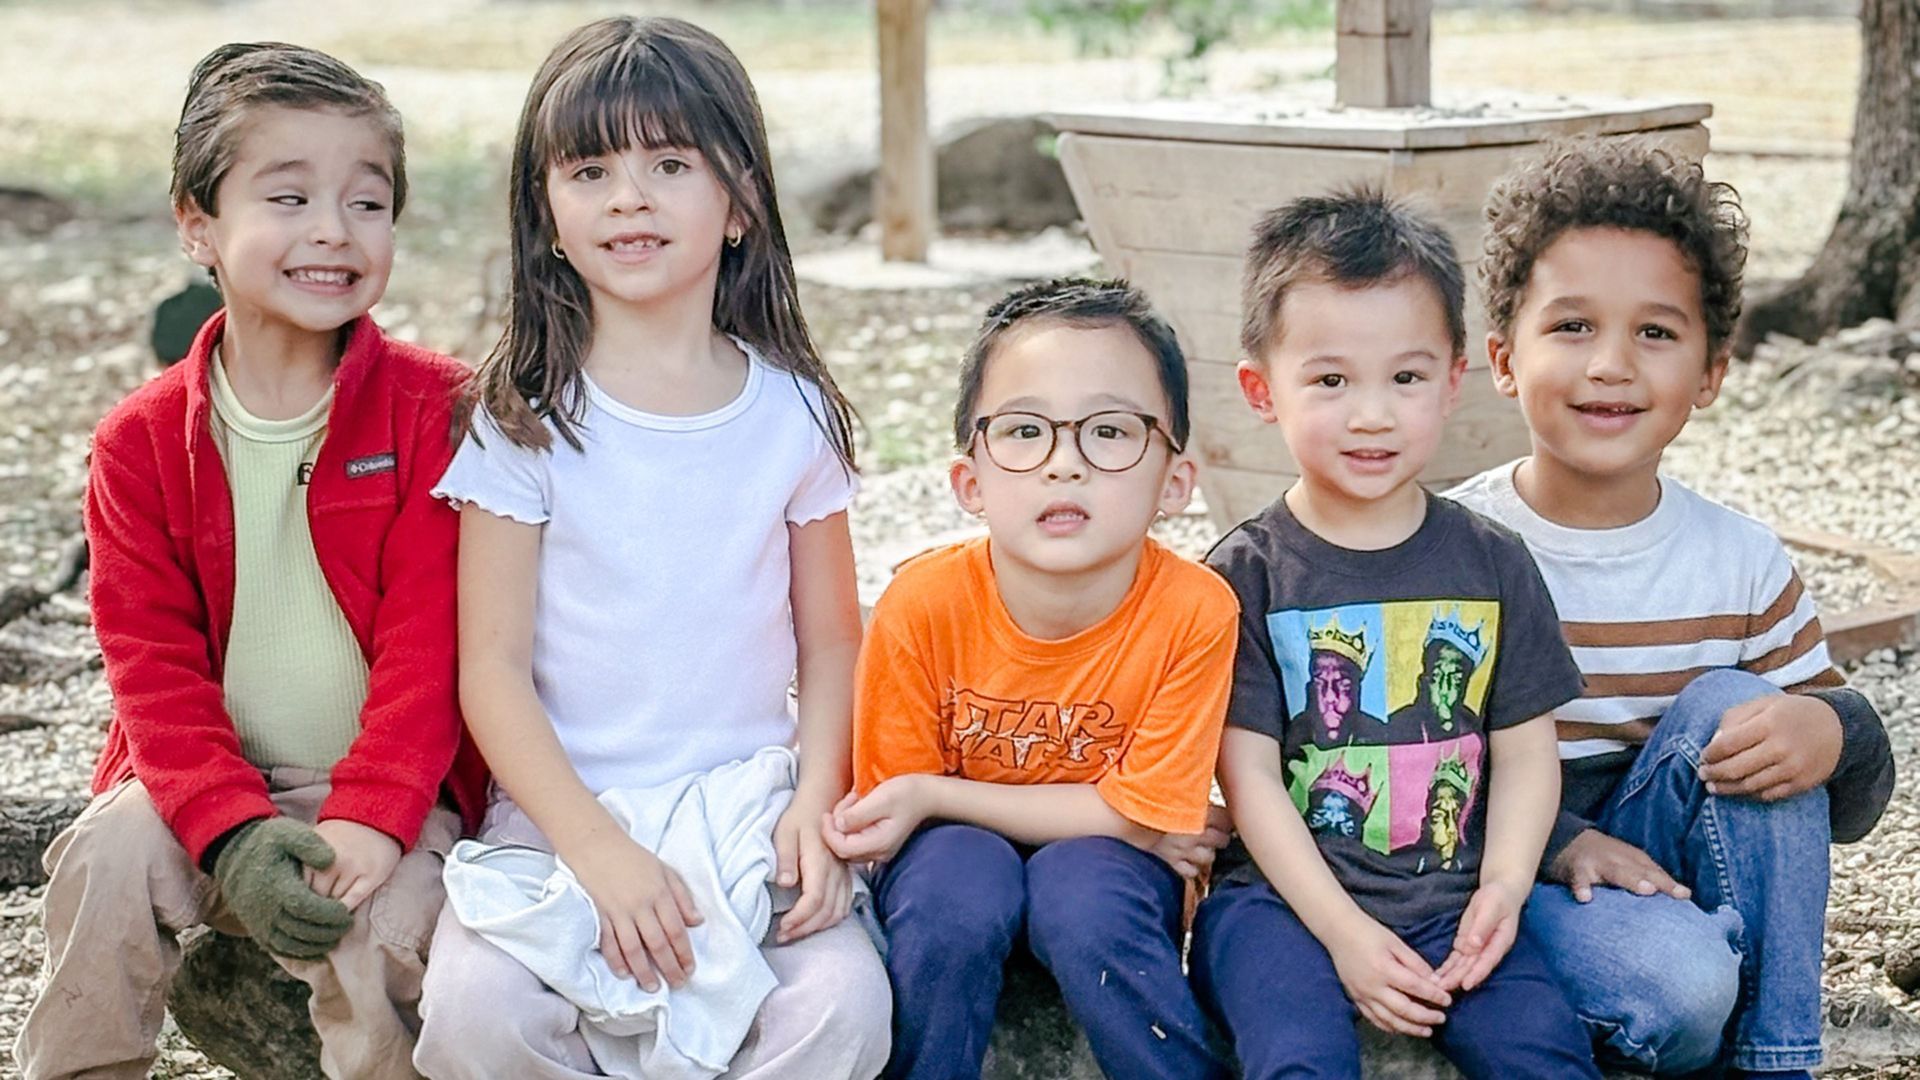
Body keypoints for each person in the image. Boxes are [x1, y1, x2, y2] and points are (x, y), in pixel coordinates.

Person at [410, 16, 888, 1079]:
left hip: (751, 811)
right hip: (558, 814)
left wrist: (813, 805)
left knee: (843, 1012)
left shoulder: (792, 413)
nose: (629, 196)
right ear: (549, 212)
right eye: (591, 169)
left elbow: (832, 645)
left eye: (670, 163)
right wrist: (595, 850)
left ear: (741, 202)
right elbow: (488, 668)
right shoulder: (524, 417)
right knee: (475, 1018)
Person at [15, 41, 483, 1080]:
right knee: (101, 861)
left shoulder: (432, 412)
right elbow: (151, 670)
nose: (332, 230)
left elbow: (430, 646)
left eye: (368, 202)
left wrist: (369, 820)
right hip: (197, 787)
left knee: (379, 926)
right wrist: (228, 831)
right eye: (288, 197)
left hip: (390, 792)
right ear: (198, 226)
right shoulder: (138, 441)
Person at [1452, 137, 1896, 1079]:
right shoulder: (1455, 548)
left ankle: (1779, 1063)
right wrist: (1564, 843)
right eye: (1572, 327)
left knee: (1759, 710)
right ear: (1502, 357)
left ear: (1711, 374)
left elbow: (1851, 786)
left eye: (1655, 333)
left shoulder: (1738, 559)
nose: (1612, 365)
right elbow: (1407, 775)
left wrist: (1828, 730)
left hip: (1677, 863)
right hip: (1509, 877)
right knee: (1680, 990)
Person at [1191, 189, 1601, 1080]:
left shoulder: (1493, 562)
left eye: (1405, 379)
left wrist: (1502, 887)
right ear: (1262, 389)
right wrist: (1344, 932)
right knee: (1298, 1059)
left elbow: (1527, 753)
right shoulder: (1247, 574)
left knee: (1545, 1054)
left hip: (1456, 897)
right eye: (1331, 380)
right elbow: (1247, 773)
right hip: (1281, 908)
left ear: (1454, 380)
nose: (1371, 414)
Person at [829, 278, 1239, 1080]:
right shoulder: (921, 605)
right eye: (1025, 431)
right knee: (957, 886)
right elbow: (896, 812)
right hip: (951, 863)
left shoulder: (1195, 613)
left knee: (1082, 891)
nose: (1064, 465)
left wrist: (939, 792)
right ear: (969, 482)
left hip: (1103, 877)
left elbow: (1135, 824)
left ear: (1176, 482)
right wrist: (1126, 820)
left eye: (1110, 432)